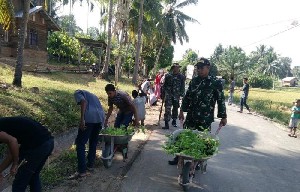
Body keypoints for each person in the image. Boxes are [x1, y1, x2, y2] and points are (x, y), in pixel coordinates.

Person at [168, 57, 227, 165]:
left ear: (208, 68)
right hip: (191, 116)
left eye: (201, 68)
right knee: (184, 136)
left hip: (205, 118)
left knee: (202, 140)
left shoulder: (215, 82)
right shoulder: (194, 81)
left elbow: (221, 100)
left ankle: (199, 161)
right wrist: (182, 110)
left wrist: (223, 116)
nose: (199, 70)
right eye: (197, 68)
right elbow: (187, 97)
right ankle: (179, 157)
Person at [0, 116, 54, 191]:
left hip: (37, 146)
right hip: (48, 142)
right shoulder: (7, 126)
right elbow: (11, 152)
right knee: (33, 177)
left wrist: (15, 163)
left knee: (19, 183)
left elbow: (13, 141)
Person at [70, 90, 105, 179]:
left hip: (89, 118)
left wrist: (82, 119)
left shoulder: (77, 92)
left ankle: (82, 171)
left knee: (80, 143)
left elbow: (83, 102)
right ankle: (90, 165)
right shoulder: (93, 95)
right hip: (100, 118)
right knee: (93, 142)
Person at [161, 63, 185, 129]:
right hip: (168, 95)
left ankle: (174, 121)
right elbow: (164, 85)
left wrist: (182, 95)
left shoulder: (181, 77)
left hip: (176, 95)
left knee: (175, 109)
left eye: (178, 67)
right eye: (176, 67)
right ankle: (166, 123)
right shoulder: (168, 75)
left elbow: (182, 87)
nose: (177, 69)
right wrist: (162, 93)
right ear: (173, 68)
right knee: (167, 109)